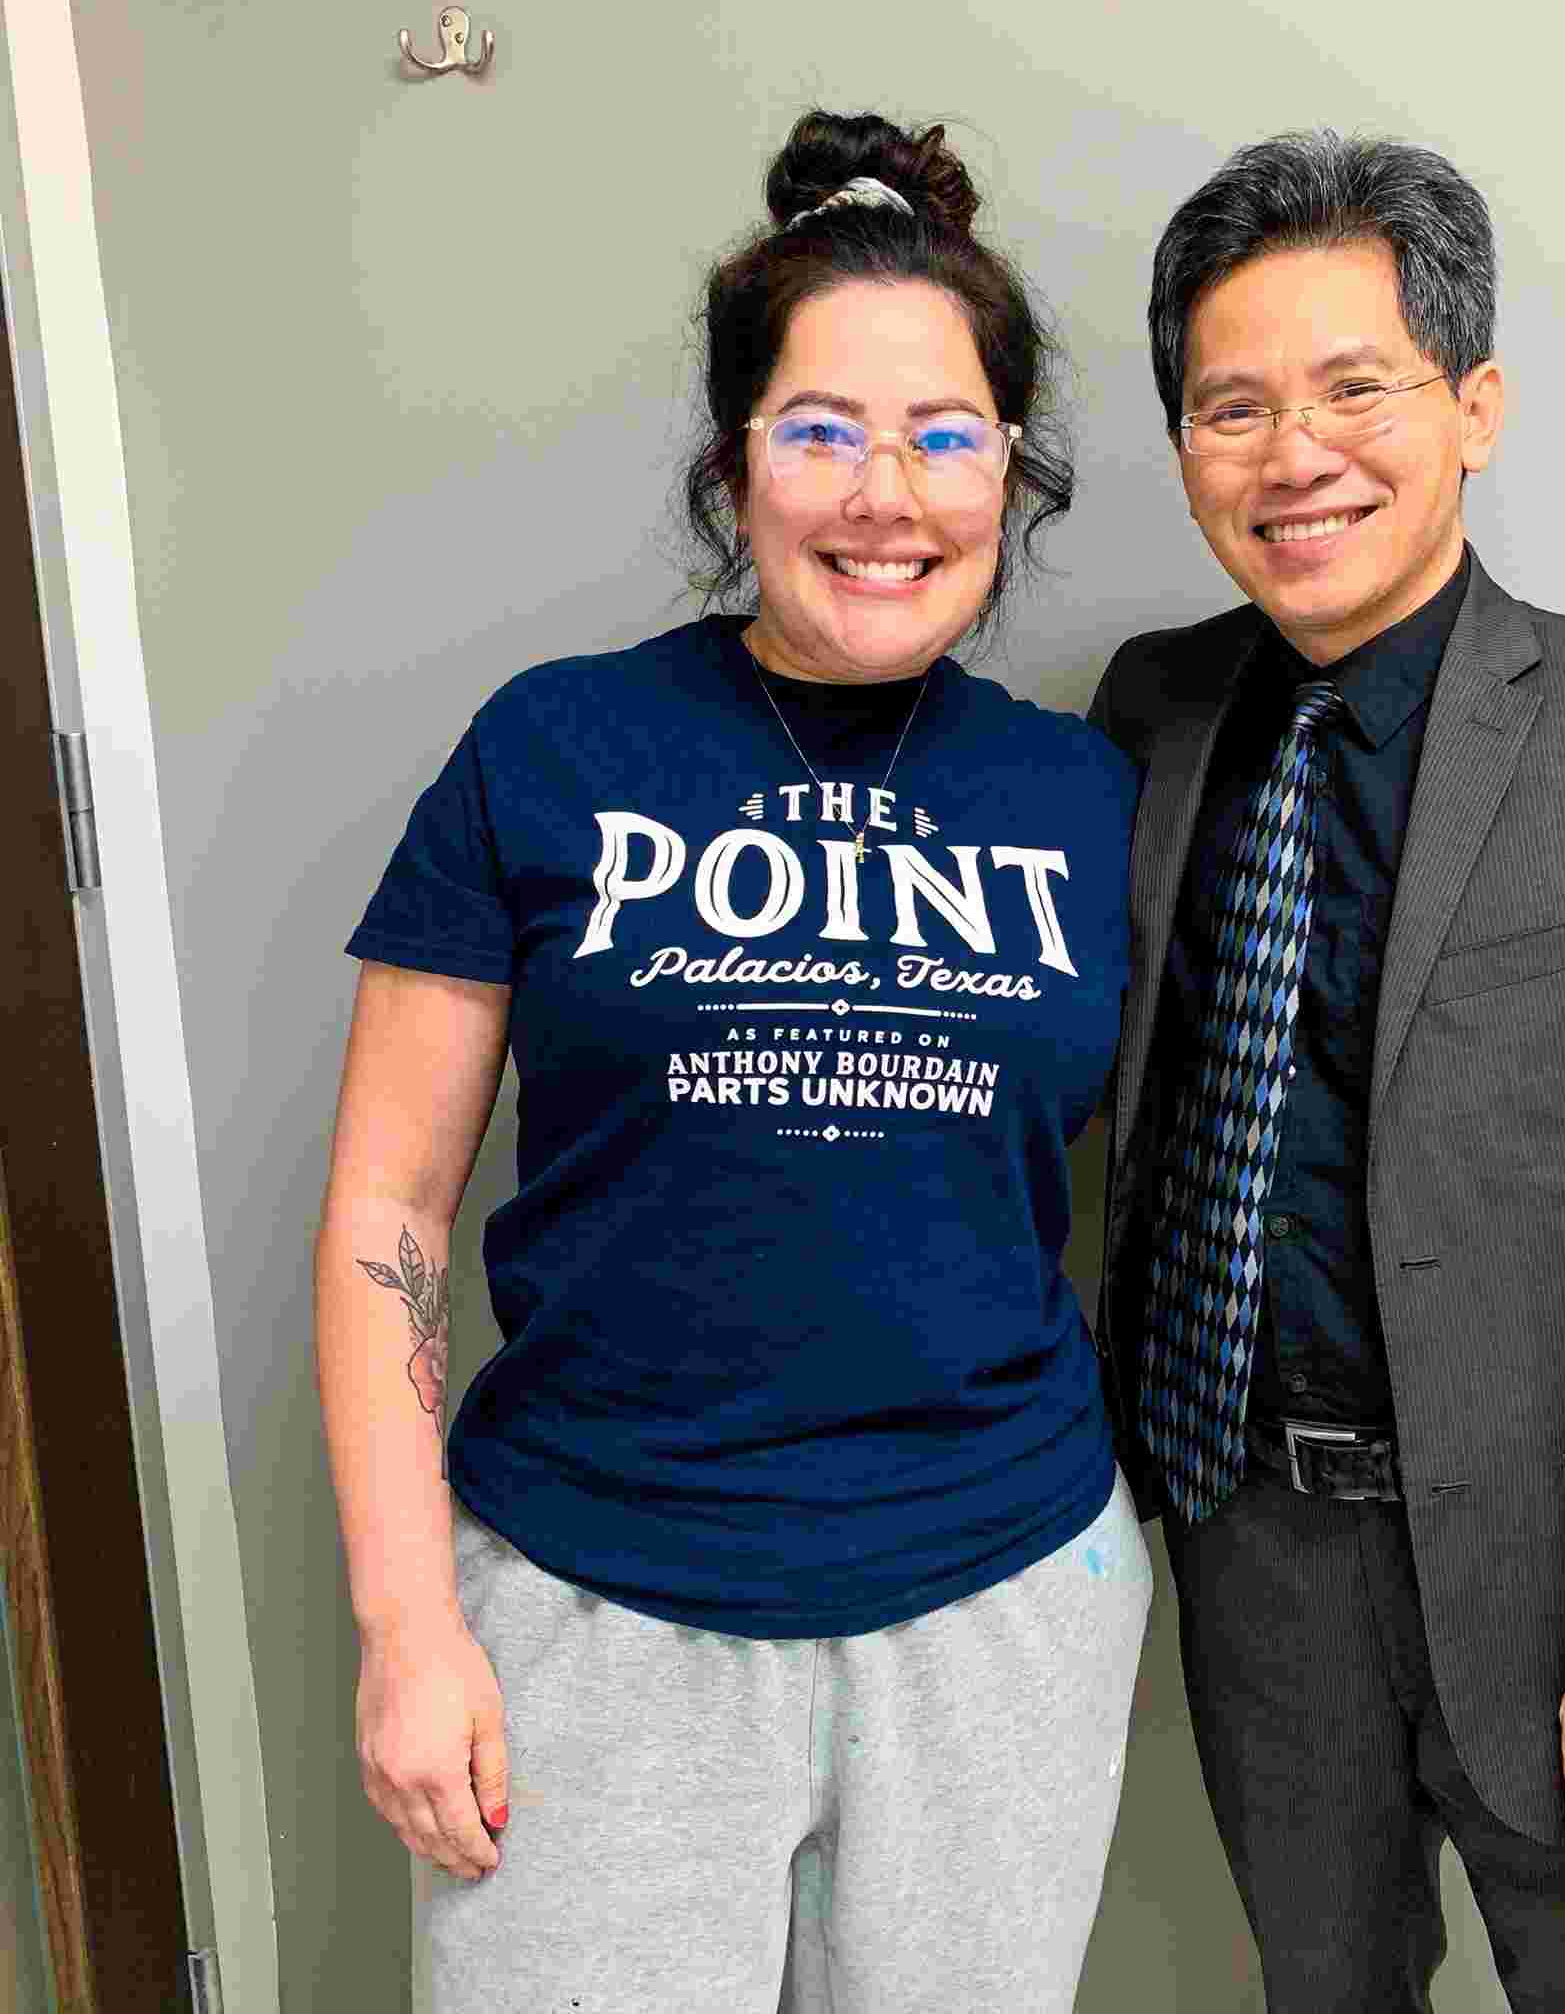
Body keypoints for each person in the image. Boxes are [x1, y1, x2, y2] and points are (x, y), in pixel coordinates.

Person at [314, 109, 1150, 2014]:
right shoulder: (551, 747)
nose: (887, 495)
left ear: (1012, 473)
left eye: (946, 436)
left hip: (1003, 1602)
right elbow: (386, 1204)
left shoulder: (1086, 792)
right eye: (821, 431)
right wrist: (406, 1626)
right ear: (735, 464)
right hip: (595, 1605)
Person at [1087, 131, 1565, 2012]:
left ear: (1474, 408)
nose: (1295, 454)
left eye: (1357, 388)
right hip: (1254, 1547)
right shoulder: (1154, 715)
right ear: (1184, 446)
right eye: (1233, 407)